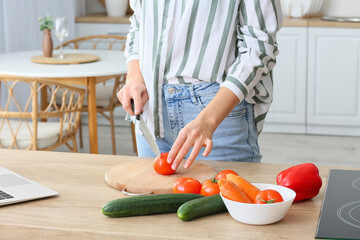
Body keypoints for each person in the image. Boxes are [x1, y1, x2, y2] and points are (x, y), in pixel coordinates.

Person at [117, 0, 283, 171]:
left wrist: (209, 119)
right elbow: (138, 24)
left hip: (215, 111)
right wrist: (134, 76)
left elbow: (259, 48)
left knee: (227, 196)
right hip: (150, 111)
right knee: (152, 194)